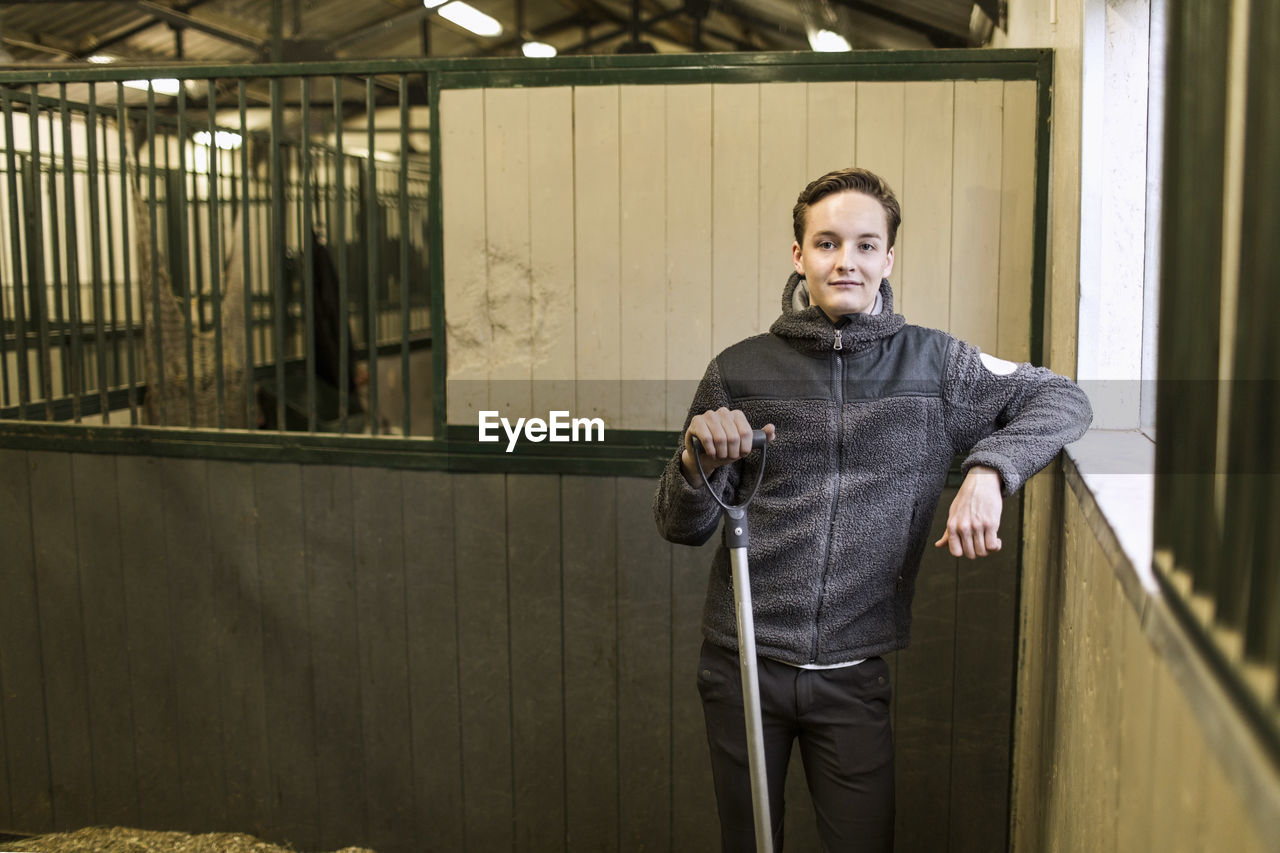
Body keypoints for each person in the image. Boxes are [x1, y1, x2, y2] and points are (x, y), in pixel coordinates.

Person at [652, 167, 1092, 852]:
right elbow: (682, 525)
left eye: (864, 245)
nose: (845, 261)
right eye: (826, 243)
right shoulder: (740, 368)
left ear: (888, 258)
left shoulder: (938, 365)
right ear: (798, 255)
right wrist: (696, 464)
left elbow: (1063, 397)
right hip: (742, 663)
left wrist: (987, 469)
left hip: (853, 672)